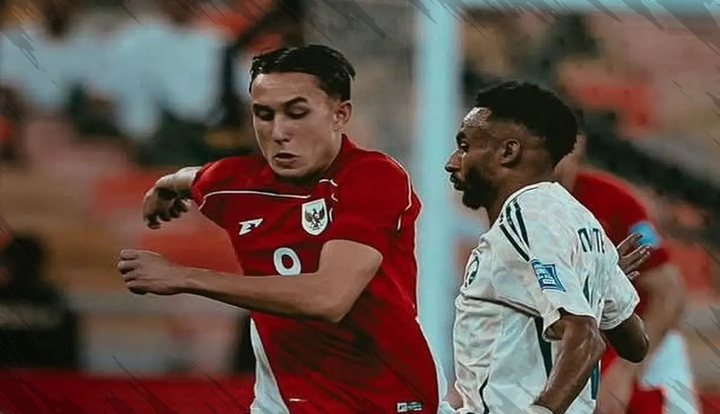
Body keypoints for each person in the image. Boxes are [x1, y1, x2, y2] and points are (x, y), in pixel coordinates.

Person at [117, 45, 449, 414]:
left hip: (387, 399)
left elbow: (328, 298)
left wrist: (183, 276)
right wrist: (165, 187)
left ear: (340, 115)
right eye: (264, 114)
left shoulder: (373, 177)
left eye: (296, 113)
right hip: (284, 403)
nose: (278, 132)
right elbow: (191, 178)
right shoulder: (237, 183)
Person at [444, 81, 649, 414]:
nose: (452, 162)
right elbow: (635, 344)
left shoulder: (526, 218)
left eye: (465, 147)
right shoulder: (581, 221)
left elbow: (585, 338)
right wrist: (600, 283)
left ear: (508, 152)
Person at [555, 135, 698, 414]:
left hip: (645, 340)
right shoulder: (516, 209)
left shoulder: (614, 202)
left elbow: (670, 293)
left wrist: (626, 368)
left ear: (577, 145)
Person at [0, 234, 79, 369]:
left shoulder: (53, 303)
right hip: (47, 380)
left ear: (8, 264)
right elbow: (68, 361)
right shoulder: (55, 304)